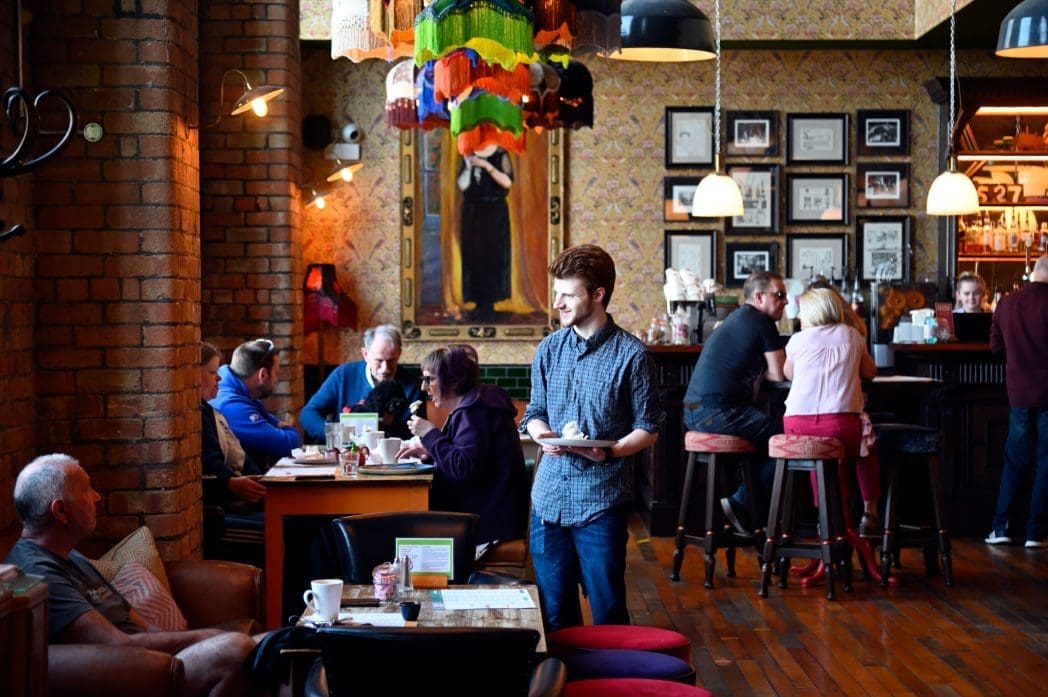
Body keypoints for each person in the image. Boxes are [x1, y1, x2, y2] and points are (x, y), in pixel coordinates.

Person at [5, 454, 257, 697]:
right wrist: (206, 637)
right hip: (133, 670)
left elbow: (142, 626)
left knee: (275, 646)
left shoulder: (71, 555)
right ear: (60, 511)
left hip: (152, 659)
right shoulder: (37, 572)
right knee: (236, 649)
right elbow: (116, 643)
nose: (97, 497)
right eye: (87, 490)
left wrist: (197, 642)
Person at [521, 244, 663, 631]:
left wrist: (613, 451)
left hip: (601, 501)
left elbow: (648, 428)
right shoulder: (549, 349)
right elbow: (534, 413)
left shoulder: (633, 355)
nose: (558, 304)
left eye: (568, 295)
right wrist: (544, 435)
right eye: (557, 294)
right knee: (553, 614)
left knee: (609, 612)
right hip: (547, 501)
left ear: (598, 295)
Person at [783, 288, 884, 583]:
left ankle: (827, 532)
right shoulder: (852, 335)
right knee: (858, 447)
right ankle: (856, 523)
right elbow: (871, 372)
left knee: (819, 469)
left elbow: (789, 374)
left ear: (812, 313)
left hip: (796, 426)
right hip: (840, 427)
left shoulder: (796, 341)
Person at [397, 344, 529, 554]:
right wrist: (432, 454)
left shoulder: (472, 412)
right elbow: (474, 462)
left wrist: (430, 433)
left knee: (403, 533)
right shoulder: (476, 405)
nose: (424, 387)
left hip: (485, 525)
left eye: (430, 379)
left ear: (454, 380)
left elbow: (463, 469)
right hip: (495, 517)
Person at [683, 271, 788, 534]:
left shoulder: (738, 317)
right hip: (718, 412)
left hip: (694, 412)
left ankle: (751, 511)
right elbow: (779, 374)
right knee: (785, 441)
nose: (785, 301)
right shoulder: (762, 322)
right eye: (780, 295)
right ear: (760, 296)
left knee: (768, 441)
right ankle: (742, 504)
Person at [986, 255, 1048, 548]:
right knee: (1047, 462)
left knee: (1015, 460)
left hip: (1019, 393)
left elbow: (995, 347)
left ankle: (1002, 527)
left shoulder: (1007, 302)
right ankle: (1037, 533)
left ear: (1034, 272)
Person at [299, 324, 424, 443]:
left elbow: (418, 434)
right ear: (365, 354)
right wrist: (337, 434)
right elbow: (307, 414)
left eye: (391, 361)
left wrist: (392, 425)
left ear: (399, 354)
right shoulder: (344, 375)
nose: (385, 368)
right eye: (379, 361)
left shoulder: (413, 385)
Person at [210, 338, 300, 468]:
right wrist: (288, 429)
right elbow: (288, 444)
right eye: (276, 373)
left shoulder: (245, 395)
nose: (276, 380)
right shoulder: (233, 405)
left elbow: (272, 423)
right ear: (262, 375)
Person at [200, 341, 265, 513]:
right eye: (212, 371)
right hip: (222, 509)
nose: (219, 377)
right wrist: (230, 483)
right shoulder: (199, 414)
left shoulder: (210, 410)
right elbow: (210, 465)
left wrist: (262, 482)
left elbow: (242, 457)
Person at [457, 144, 513, 322]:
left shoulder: (500, 154)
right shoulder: (468, 153)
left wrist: (486, 166)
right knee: (473, 257)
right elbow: (462, 186)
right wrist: (467, 167)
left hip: (495, 213)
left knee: (494, 257)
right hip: (473, 213)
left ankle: (489, 305)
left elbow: (507, 182)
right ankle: (478, 304)